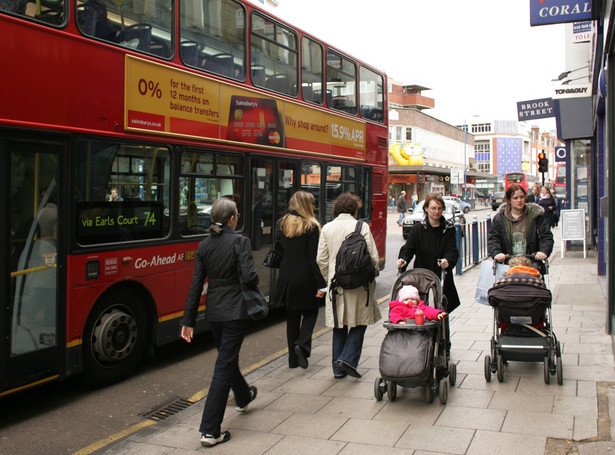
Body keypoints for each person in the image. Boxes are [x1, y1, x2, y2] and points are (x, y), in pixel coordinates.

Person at [180, 198, 258, 448]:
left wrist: (188, 320)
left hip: (213, 312)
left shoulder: (203, 245)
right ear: (232, 218)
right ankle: (210, 430)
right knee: (223, 365)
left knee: (226, 356)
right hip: (235, 311)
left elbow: (195, 285)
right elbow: (249, 277)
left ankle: (244, 396)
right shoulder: (240, 241)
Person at [317, 192, 381, 379]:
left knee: (339, 325)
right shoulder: (361, 227)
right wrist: (372, 274)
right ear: (354, 210)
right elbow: (373, 257)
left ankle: (337, 369)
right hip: (360, 284)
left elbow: (321, 259)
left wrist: (329, 276)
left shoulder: (327, 228)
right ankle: (348, 359)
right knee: (361, 321)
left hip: (337, 285)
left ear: (336, 209)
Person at [396, 193, 461, 350]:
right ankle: (422, 343)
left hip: (441, 276)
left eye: (439, 208)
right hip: (421, 278)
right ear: (426, 209)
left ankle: (444, 344)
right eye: (433, 208)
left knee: (440, 309)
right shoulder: (418, 229)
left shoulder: (448, 229)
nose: (436, 212)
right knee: (420, 310)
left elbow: (453, 251)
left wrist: (448, 261)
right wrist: (403, 259)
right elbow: (408, 249)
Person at [276, 191, 326, 369]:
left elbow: (279, 250)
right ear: (306, 205)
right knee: (311, 313)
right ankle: (302, 344)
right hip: (306, 277)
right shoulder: (311, 226)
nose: (314, 207)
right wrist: (322, 284)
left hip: (287, 277)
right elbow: (314, 259)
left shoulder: (282, 223)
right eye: (312, 204)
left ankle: (292, 361)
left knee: (292, 318)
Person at [488, 183, 553, 266]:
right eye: (515, 198)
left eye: (522, 197)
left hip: (532, 264)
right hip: (507, 265)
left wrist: (543, 251)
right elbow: (494, 238)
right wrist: (497, 253)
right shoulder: (500, 219)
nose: (519, 200)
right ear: (509, 200)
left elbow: (546, 236)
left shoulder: (536, 216)